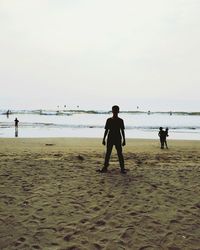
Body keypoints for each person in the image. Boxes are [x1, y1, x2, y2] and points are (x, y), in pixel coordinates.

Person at [99, 105, 126, 174]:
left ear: (118, 111)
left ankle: (122, 168)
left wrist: (124, 140)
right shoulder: (109, 120)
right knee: (108, 153)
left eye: (116, 111)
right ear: (112, 111)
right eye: (114, 110)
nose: (115, 112)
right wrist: (104, 139)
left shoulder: (120, 120)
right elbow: (106, 130)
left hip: (117, 138)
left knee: (119, 153)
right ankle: (105, 167)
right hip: (110, 138)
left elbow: (122, 131)